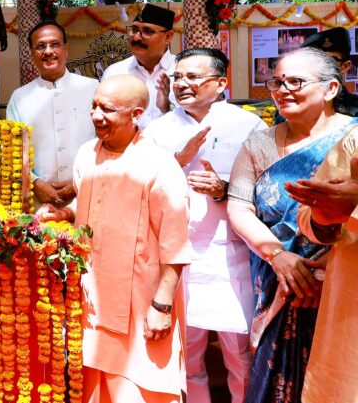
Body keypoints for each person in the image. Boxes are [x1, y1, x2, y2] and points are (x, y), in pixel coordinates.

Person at [39, 75, 191, 403]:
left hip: (141, 304)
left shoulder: (159, 166)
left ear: (136, 114)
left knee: (141, 391)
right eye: (93, 106)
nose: (96, 115)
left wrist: (161, 307)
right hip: (93, 298)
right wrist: (64, 213)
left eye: (107, 109)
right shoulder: (86, 155)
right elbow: (92, 198)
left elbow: (176, 244)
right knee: (93, 390)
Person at [226, 47, 358, 403]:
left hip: (341, 282)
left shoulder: (353, 140)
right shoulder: (258, 143)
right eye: (277, 82)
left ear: (331, 89)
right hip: (276, 281)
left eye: (295, 82)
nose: (282, 90)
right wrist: (279, 257)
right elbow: (239, 208)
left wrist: (322, 271)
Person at [144, 48, 266, 403]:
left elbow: (268, 193)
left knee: (240, 354)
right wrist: (174, 162)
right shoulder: (158, 130)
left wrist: (224, 190)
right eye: (178, 77)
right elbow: (140, 187)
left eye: (193, 77)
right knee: (187, 355)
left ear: (221, 83)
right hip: (178, 261)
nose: (183, 84)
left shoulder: (249, 126)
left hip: (232, 257)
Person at [284, 126, 358, 403]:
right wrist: (322, 219)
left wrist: (354, 208)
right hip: (349, 309)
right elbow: (309, 216)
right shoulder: (355, 139)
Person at [6, 20, 98, 207]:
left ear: (66, 49)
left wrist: (79, 181)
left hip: (88, 193)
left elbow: (107, 143)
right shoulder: (19, 98)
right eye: (40, 46)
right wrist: (34, 182)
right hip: (39, 202)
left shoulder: (93, 88)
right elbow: (12, 151)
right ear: (32, 54)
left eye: (54, 44)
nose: (48, 51)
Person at [102, 3, 176, 128]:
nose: (136, 37)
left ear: (168, 37)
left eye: (147, 31)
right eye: (134, 30)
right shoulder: (115, 73)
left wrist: (167, 108)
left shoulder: (182, 72)